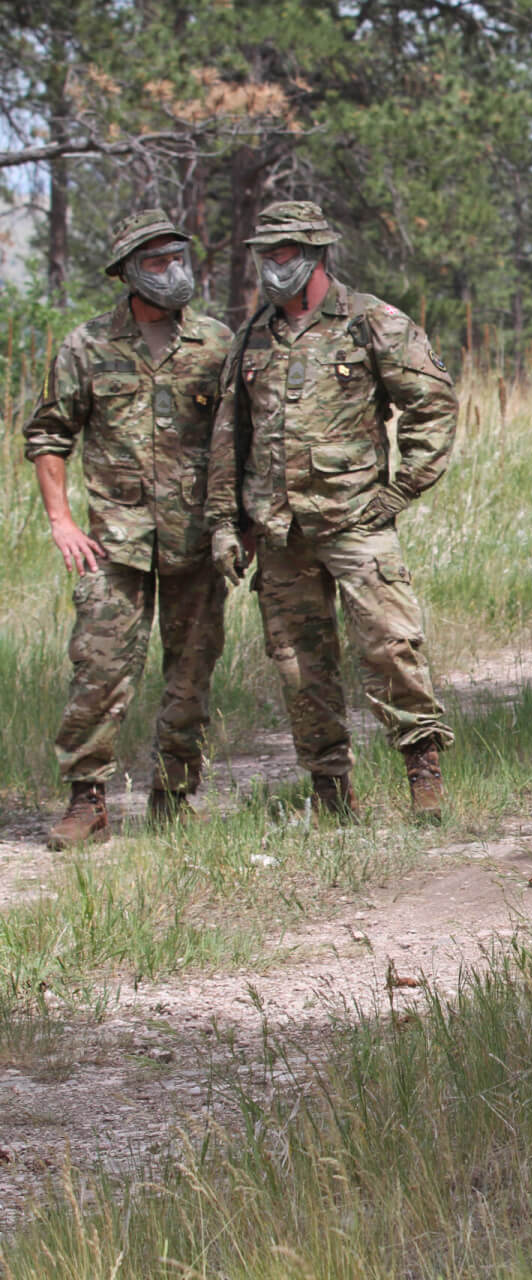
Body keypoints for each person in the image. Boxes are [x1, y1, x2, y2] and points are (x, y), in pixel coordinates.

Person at [204, 201, 457, 819]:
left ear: (317, 253)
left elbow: (434, 403)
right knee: (298, 667)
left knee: (392, 646)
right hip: (281, 534)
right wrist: (223, 523)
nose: (272, 264)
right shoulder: (252, 337)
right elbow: (228, 437)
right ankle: (330, 792)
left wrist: (398, 491)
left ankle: (423, 775)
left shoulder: (372, 321)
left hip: (356, 525)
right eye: (265, 253)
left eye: (284, 251)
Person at [23, 209, 234, 847]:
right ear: (127, 275)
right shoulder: (86, 346)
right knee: (98, 669)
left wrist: (238, 523)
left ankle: (174, 794)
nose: (172, 272)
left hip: (196, 540)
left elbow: (240, 441)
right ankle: (86, 804)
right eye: (156, 262)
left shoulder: (217, 344)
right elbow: (50, 433)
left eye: (178, 257)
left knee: (191, 671)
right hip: (113, 543)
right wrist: (60, 520)